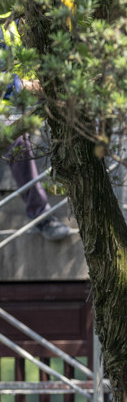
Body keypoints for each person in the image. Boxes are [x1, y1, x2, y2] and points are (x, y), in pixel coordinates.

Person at [1, 15, 70, 241]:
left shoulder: (21, 15)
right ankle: (41, 215)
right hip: (9, 106)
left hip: (24, 100)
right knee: (17, 141)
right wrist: (31, 87)